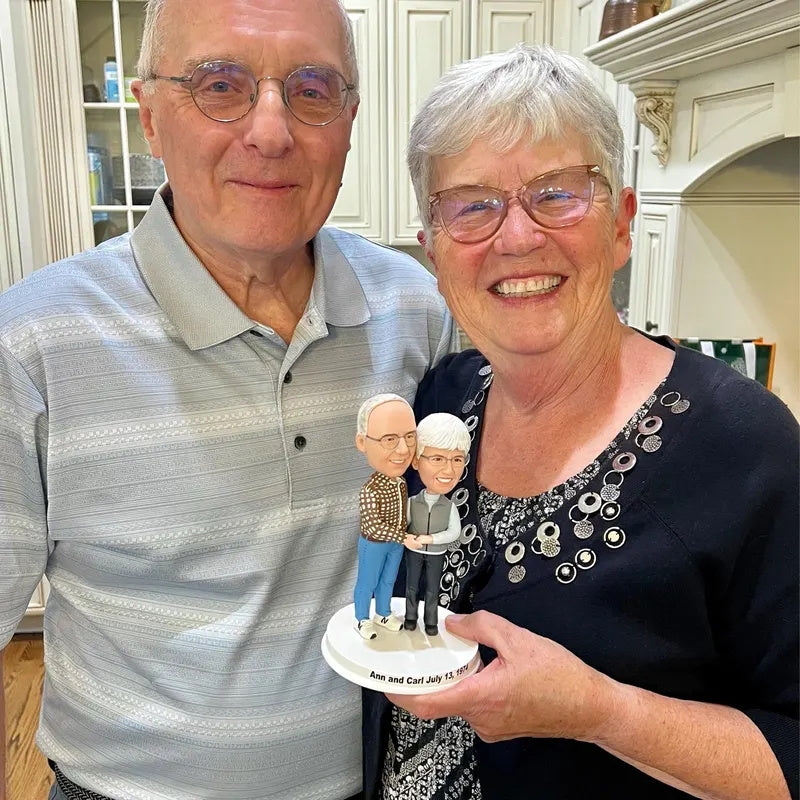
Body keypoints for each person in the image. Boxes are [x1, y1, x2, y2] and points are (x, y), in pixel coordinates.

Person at [0, 0, 457, 797]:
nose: (271, 132)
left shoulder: (415, 309)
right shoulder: (31, 343)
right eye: (220, 85)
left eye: (312, 90)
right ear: (150, 117)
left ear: (349, 122)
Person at [363, 44, 799, 800]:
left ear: (622, 225)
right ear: (433, 252)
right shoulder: (441, 398)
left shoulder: (745, 446)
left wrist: (599, 712)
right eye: (472, 205)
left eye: (557, 194)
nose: (517, 237)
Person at [353, 395, 417, 640]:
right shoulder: (369, 490)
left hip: (396, 543)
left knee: (388, 580)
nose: (403, 449)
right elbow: (373, 526)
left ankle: (383, 613)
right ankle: (362, 619)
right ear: (362, 442)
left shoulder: (401, 483)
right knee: (368, 582)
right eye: (389, 439)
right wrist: (403, 537)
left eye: (409, 437)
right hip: (374, 544)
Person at [402, 413, 469, 636]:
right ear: (416, 461)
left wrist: (432, 539)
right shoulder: (412, 503)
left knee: (432, 590)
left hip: (437, 554)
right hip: (414, 553)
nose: (448, 470)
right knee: (411, 586)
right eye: (438, 459)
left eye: (457, 460)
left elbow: (454, 532)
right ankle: (410, 617)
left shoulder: (449, 507)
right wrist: (405, 537)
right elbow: (402, 526)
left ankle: (430, 622)